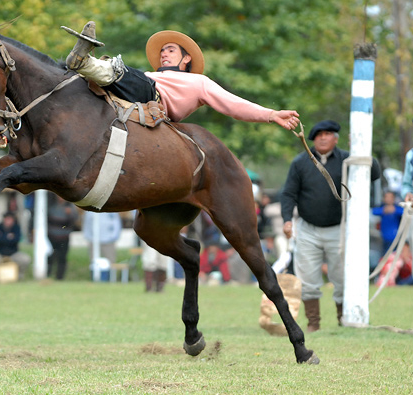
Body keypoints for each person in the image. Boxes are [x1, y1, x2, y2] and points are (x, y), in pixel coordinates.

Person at [62, 21, 301, 130]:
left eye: (171, 50)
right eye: (163, 51)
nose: (164, 54)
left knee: (119, 70)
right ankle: (72, 69)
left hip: (152, 98)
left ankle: (83, 62)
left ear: (186, 59)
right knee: (91, 84)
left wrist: (271, 114)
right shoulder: (147, 73)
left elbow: (233, 104)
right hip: (123, 97)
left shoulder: (198, 82)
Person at [280, 120, 381, 332]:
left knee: (342, 277)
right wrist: (287, 219)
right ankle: (313, 324)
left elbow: (374, 173)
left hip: (340, 229)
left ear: (336, 138)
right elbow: (289, 194)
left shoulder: (348, 159)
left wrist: (361, 150)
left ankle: (343, 320)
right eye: (319, 135)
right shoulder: (300, 162)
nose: (323, 138)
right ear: (313, 139)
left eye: (328, 134)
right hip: (308, 228)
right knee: (307, 279)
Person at [0, 212, 31, 280]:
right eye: (7, 219)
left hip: (13, 253)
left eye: (10, 219)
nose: (8, 221)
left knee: (25, 259)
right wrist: (8, 238)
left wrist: (3, 237)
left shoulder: (16, 227)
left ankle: (19, 277)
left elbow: (16, 239)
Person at [46, 195, 78, 280]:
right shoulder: (52, 205)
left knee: (62, 258)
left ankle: (60, 277)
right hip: (52, 236)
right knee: (50, 256)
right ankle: (48, 274)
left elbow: (75, 221)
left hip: (64, 237)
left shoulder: (70, 207)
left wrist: (70, 214)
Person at [372, 191, 403, 257]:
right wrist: (383, 210)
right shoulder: (382, 208)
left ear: (394, 198)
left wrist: (395, 210)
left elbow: (405, 211)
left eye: (390, 197)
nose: (388, 199)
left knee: (395, 258)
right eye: (387, 197)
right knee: (385, 257)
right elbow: (374, 211)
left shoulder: (397, 208)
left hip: (396, 239)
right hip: (384, 238)